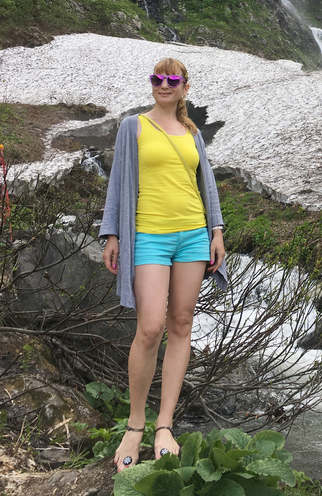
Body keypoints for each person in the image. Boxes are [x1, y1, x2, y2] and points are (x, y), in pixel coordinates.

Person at [100, 57, 227, 472]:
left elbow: (206, 185)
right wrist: (112, 234)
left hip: (192, 235)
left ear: (185, 87)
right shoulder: (133, 126)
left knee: (181, 324)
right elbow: (118, 182)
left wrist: (216, 231)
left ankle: (164, 426)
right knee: (151, 327)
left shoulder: (192, 132)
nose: (164, 84)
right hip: (149, 237)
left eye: (173, 79)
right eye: (158, 78)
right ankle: (135, 425)